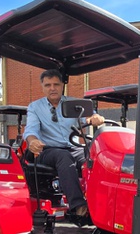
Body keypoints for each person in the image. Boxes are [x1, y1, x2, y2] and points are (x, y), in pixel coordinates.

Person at [23, 69, 105, 219]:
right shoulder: (35, 107)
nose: (52, 88)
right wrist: (32, 141)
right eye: (48, 85)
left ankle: (102, 200)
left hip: (73, 148)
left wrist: (95, 118)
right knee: (64, 156)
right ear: (42, 87)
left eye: (56, 84)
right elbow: (31, 130)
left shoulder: (73, 104)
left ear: (62, 86)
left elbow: (87, 118)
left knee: (94, 155)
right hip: (47, 151)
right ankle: (78, 206)